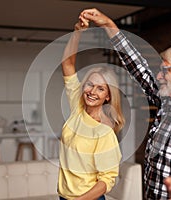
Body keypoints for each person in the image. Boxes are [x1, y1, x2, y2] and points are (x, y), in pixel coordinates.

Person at [79, 8, 171, 200]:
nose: (159, 76)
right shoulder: (167, 101)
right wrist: (109, 25)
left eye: (165, 71)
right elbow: (138, 66)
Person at [58, 17, 125, 200]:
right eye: (90, 84)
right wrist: (77, 32)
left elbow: (107, 180)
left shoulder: (104, 131)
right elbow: (67, 64)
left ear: (108, 96)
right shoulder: (77, 107)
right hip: (64, 196)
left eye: (101, 88)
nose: (92, 92)